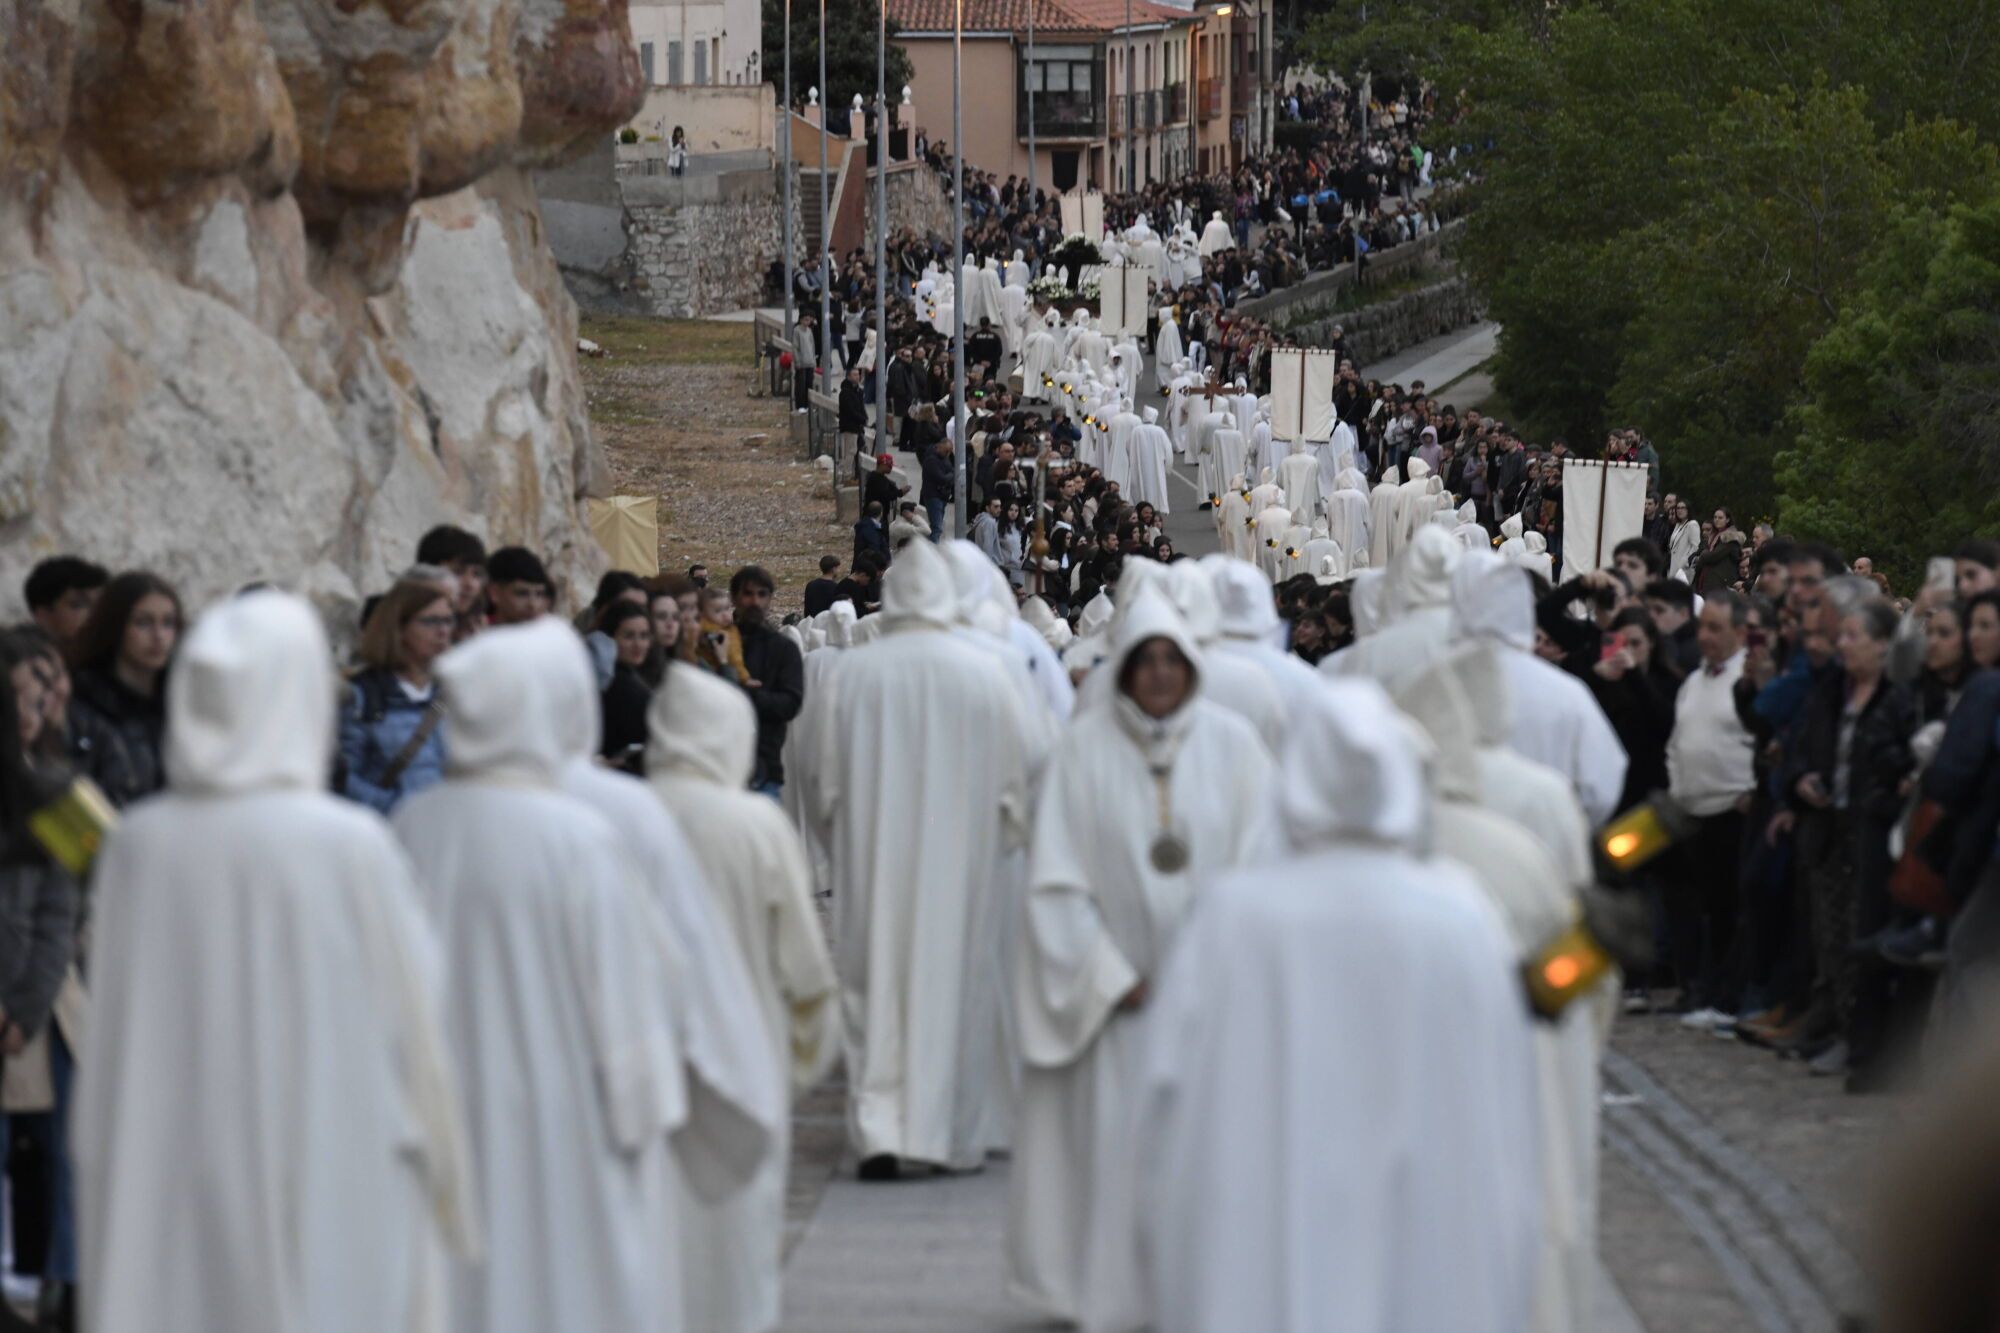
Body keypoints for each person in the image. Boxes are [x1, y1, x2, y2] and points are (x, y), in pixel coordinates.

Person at [76, 592, 475, 1333]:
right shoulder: (350, 846)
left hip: (177, 1148)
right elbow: (417, 1022)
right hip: (329, 1140)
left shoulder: (141, 845)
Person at [1091, 681, 1541, 1333]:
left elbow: (1159, 1096)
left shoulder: (1235, 918)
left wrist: (1125, 1287)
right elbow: (1508, 1104)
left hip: (1260, 1243)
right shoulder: (1463, 917)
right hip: (1432, 1245)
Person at [392, 619, 689, 1333]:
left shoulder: (412, 826)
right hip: (567, 1118)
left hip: (442, 1110)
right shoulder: (578, 838)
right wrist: (649, 1110)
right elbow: (628, 1006)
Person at [1007, 585, 1272, 1323]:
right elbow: (1055, 880)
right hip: (1117, 1005)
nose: (1159, 673)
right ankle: (1115, 1294)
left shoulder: (1235, 748)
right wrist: (1110, 976)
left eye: (1171, 659)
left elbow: (1264, 863)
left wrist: (1216, 967)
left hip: (1207, 1002)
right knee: (1114, 1153)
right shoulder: (1082, 751)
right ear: (1125, 668)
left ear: (1190, 666)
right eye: (1146, 659)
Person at [802, 538, 1030, 1177]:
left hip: (875, 859)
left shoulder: (853, 677)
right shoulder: (984, 674)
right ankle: (946, 1131)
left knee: (875, 986)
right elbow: (1016, 786)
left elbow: (821, 782)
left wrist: (845, 846)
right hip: (963, 864)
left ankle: (881, 1124)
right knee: (954, 988)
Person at [647, 667, 838, 1333]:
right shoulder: (755, 823)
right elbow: (806, 969)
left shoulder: (626, 814)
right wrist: (798, 1062)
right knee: (734, 1222)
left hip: (651, 1050)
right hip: (745, 1039)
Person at [1665, 590, 1757, 1026]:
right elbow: (1677, 740)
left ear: (1739, 632)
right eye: (1703, 627)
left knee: (1727, 911)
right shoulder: (1694, 682)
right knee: (1695, 909)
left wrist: (1750, 790)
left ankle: (1724, 998)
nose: (1705, 637)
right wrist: (1677, 785)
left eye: (1715, 628)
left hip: (1732, 810)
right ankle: (1697, 988)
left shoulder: (1747, 680)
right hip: (1690, 810)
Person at [337, 576, 455, 812]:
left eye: (448, 620)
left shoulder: (455, 692)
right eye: (430, 621)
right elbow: (343, 778)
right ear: (399, 629)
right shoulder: (363, 696)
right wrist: (396, 808)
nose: (443, 631)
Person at [65, 571, 181, 807]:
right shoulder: (83, 704)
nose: (159, 636)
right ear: (116, 626)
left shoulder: (183, 700)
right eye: (143, 623)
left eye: (168, 623)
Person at [730, 566, 805, 796]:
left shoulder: (784, 649)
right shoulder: (718, 644)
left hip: (765, 765)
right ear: (734, 598)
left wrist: (748, 696)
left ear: (770, 599)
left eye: (762, 594)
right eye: (748, 594)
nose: (755, 601)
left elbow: (791, 702)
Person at [597, 601, 654, 770]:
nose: (638, 644)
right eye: (629, 636)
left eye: (644, 636)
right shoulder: (619, 685)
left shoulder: (632, 677)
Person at [22, 558, 107, 656]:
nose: (95, 612)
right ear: (44, 616)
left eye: (101, 603)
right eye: (78, 604)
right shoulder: (23, 656)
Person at [1644, 578, 1703, 675]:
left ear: (1683, 613)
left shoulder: (1695, 654)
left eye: (1659, 610)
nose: (1651, 616)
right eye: (1647, 609)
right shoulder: (1656, 639)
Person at [484, 546, 553, 624]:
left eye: (539, 594)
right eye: (522, 594)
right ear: (495, 593)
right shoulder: (479, 630)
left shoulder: (552, 629)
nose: (533, 605)